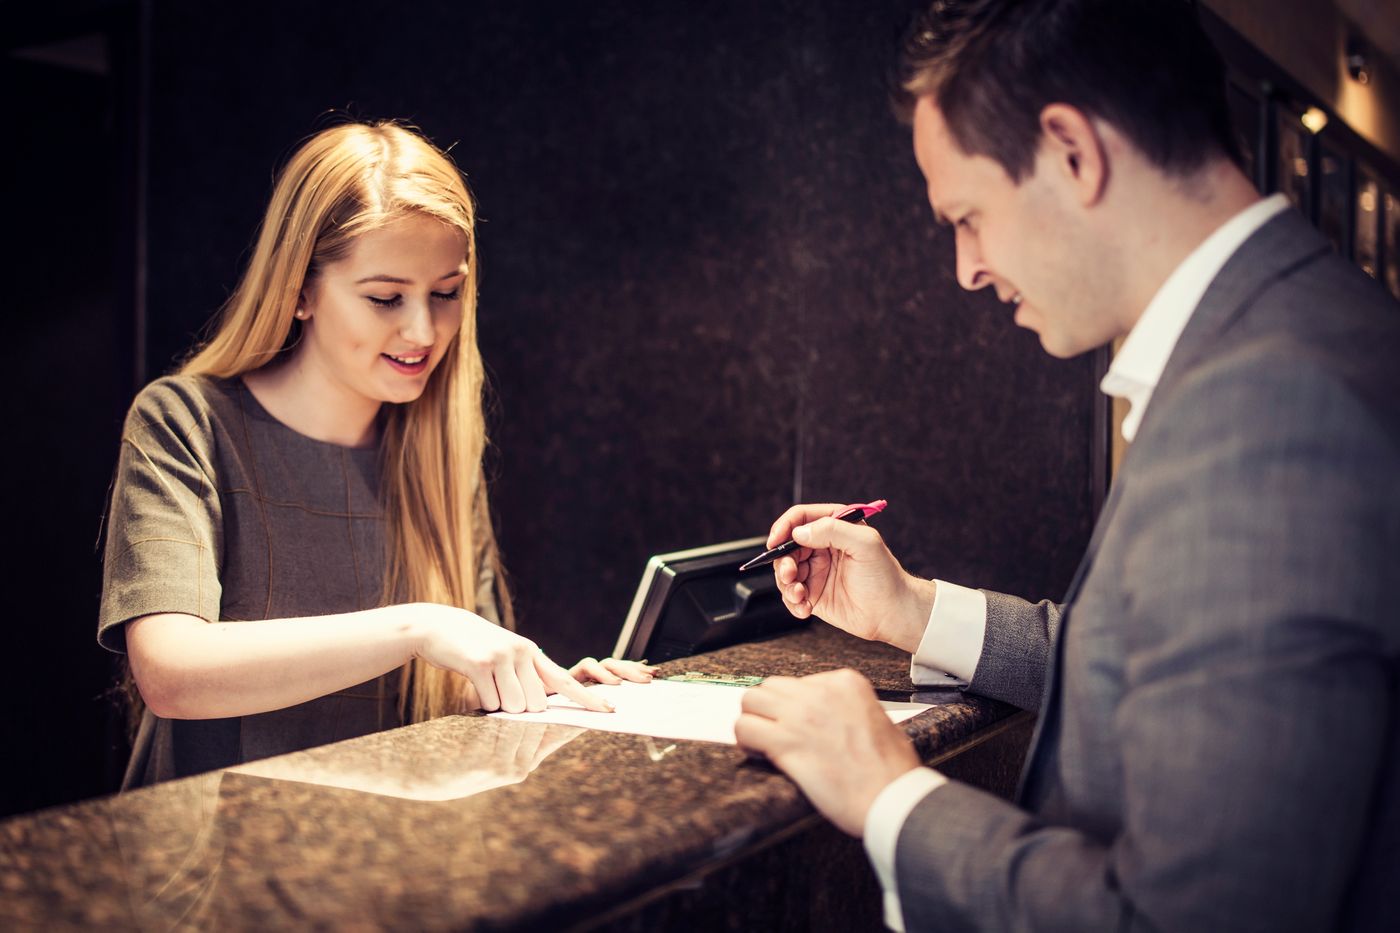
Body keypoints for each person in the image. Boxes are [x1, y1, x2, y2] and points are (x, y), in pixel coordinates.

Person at [734, 2, 1400, 930]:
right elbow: (1172, 668)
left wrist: (889, 796)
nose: (966, 268)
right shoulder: (1307, 330)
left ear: (1071, 154)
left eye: (967, 216)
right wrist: (916, 611)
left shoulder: (1267, 407)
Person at [99, 120, 653, 790]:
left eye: (446, 293)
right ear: (299, 289)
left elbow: (451, 691)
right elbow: (171, 673)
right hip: (217, 868)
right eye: (385, 297)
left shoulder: (439, 456)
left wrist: (540, 685)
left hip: (385, 864)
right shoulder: (185, 422)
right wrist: (418, 625)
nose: (423, 330)